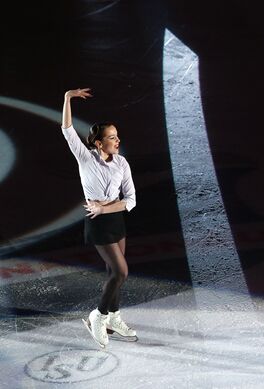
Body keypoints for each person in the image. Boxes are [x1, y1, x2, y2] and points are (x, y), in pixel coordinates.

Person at [61, 88, 137, 348]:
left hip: (113, 219)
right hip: (97, 222)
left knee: (114, 273)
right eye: (111, 137)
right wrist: (67, 98)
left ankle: (113, 317)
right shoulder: (85, 158)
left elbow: (131, 199)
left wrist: (107, 208)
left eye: (117, 136)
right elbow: (67, 130)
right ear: (98, 143)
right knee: (120, 271)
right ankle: (98, 315)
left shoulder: (122, 163)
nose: (117, 140)